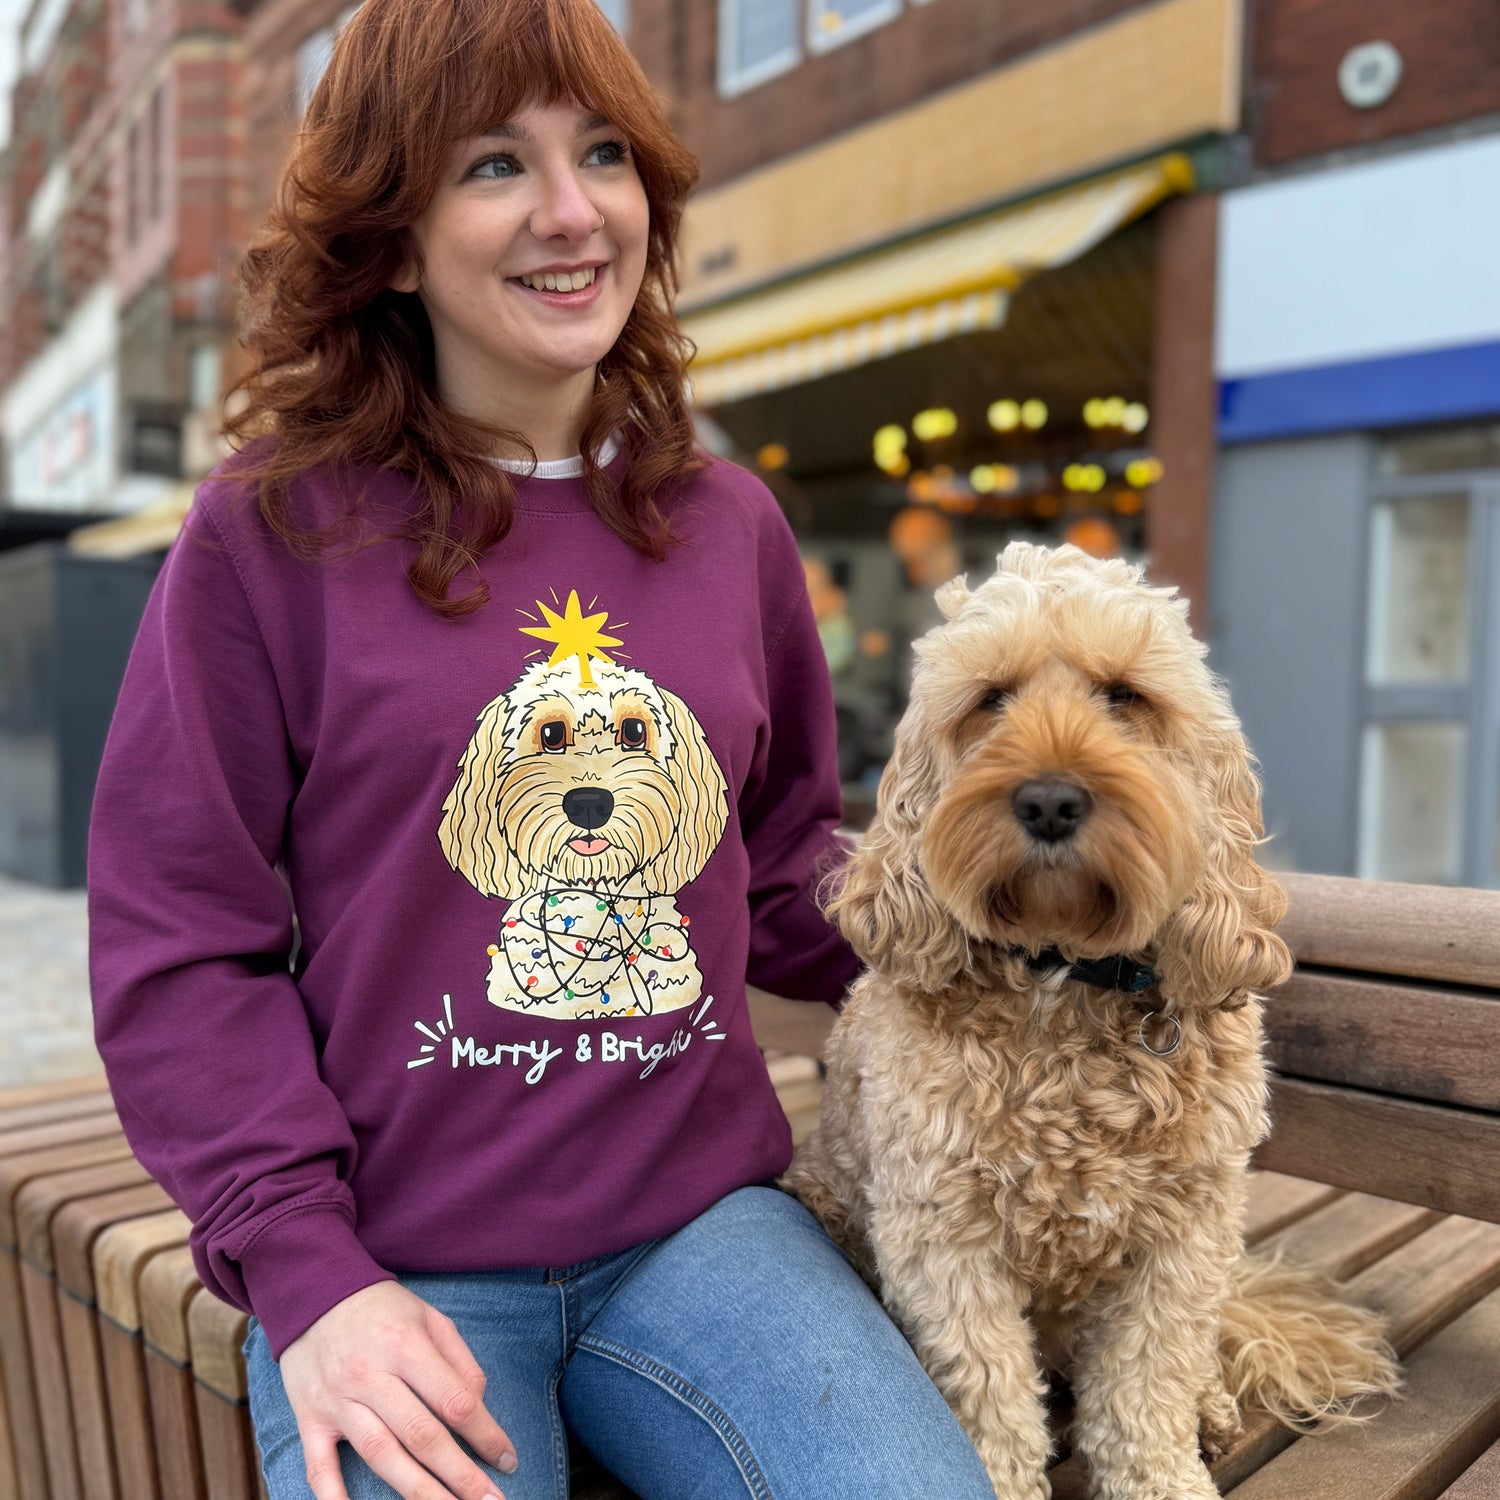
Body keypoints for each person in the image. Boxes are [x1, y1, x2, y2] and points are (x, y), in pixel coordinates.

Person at [86, 3, 995, 1499]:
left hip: (700, 1230)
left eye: (606, 155)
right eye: (496, 165)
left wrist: (1018, 935)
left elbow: (775, 873)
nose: (574, 214)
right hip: (403, 1260)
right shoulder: (269, 531)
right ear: (391, 236)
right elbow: (181, 941)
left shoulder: (730, 526)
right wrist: (307, 1275)